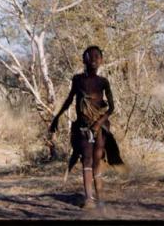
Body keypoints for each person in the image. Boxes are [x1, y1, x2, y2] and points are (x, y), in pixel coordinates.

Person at [49, 46, 123, 209]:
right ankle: (89, 199)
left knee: (97, 161)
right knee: (86, 161)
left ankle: (100, 198)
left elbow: (111, 108)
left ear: (102, 60)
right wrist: (57, 117)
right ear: (85, 60)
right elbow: (69, 100)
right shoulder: (77, 80)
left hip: (99, 129)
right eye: (91, 57)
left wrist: (98, 123)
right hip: (82, 128)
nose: (95, 60)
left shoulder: (103, 82)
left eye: (98, 57)